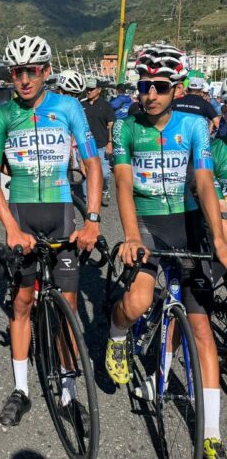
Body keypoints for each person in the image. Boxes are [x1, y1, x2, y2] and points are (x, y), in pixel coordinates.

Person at [106, 46, 227, 458]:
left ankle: (211, 432)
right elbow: (123, 184)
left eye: (160, 86)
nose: (151, 94)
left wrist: (219, 239)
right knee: (138, 300)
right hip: (147, 223)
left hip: (187, 223)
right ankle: (117, 335)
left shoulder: (194, 125)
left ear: (176, 89)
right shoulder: (126, 127)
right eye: (144, 86)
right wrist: (130, 236)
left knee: (202, 330)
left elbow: (205, 183)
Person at [0, 35, 102, 428]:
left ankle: (68, 393)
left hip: (61, 217)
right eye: (17, 72)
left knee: (68, 309)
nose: (24, 79)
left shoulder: (68, 107)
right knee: (21, 303)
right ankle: (21, 389)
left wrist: (93, 220)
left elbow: (93, 164)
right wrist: (10, 227)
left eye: (32, 71)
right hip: (22, 220)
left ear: (46, 71)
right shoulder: (4, 113)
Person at [81, 77, 114, 206]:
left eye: (91, 89)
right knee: (87, 174)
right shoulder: (81, 105)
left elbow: (110, 124)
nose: (89, 91)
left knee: (104, 173)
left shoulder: (106, 105)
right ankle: (88, 202)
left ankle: (104, 189)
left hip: (101, 144)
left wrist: (110, 142)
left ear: (99, 90)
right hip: (85, 146)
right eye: (87, 89)